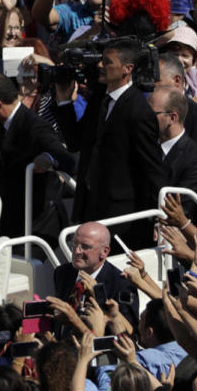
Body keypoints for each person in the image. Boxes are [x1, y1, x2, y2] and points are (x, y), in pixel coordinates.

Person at [53, 38, 166, 240]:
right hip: (91, 208)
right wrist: (64, 101)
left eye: (107, 62)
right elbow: (75, 142)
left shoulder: (138, 112)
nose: (99, 66)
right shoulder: (99, 100)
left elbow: (152, 168)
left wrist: (159, 216)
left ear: (127, 69)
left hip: (123, 219)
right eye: (101, 61)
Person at [0, 71, 74, 238]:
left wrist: (48, 159)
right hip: (13, 215)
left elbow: (67, 159)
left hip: (37, 222)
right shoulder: (6, 122)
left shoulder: (34, 126)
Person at [54, 221, 138, 327]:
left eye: (85, 246)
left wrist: (99, 295)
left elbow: (129, 333)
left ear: (104, 252)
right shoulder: (62, 272)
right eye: (74, 244)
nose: (76, 251)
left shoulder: (122, 284)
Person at [148, 85, 197, 192]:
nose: (145, 117)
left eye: (151, 113)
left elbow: (177, 205)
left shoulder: (195, 161)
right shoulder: (146, 146)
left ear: (172, 118)